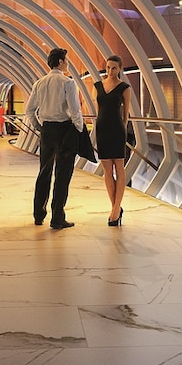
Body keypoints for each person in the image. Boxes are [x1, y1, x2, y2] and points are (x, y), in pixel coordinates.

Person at [24, 48, 84, 229]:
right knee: (62, 175)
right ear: (60, 61)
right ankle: (57, 217)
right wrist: (79, 130)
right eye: (66, 60)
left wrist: (39, 127)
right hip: (64, 130)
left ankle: (38, 214)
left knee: (44, 172)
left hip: (47, 130)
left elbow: (29, 110)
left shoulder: (39, 83)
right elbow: (75, 111)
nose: (68, 63)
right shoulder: (68, 82)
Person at [93, 55, 131, 226]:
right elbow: (98, 111)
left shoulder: (124, 88)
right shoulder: (97, 86)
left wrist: (122, 129)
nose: (110, 71)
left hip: (117, 130)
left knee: (119, 167)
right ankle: (115, 207)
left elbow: (126, 115)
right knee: (107, 170)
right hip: (102, 130)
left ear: (120, 69)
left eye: (114, 68)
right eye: (108, 67)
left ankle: (115, 211)